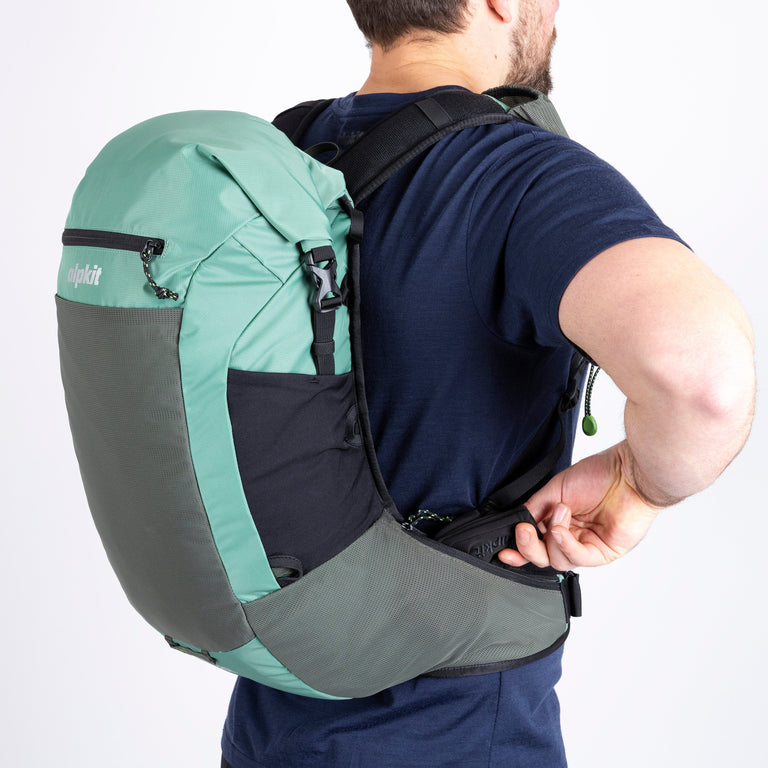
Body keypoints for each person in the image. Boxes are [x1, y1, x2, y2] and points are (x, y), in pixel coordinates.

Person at [221, 1, 755, 766]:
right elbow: (707, 382)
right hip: (456, 730)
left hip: (270, 723)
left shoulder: (280, 163)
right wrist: (638, 487)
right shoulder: (515, 174)